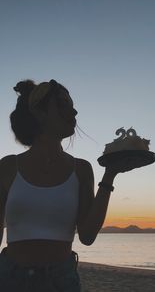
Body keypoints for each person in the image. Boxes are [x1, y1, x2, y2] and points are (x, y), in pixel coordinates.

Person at [0, 79, 136, 292]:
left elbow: (88, 235)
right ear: (39, 112)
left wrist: (110, 175)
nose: (74, 111)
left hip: (61, 280)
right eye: (63, 104)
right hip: (10, 278)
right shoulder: (7, 167)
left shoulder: (81, 169)